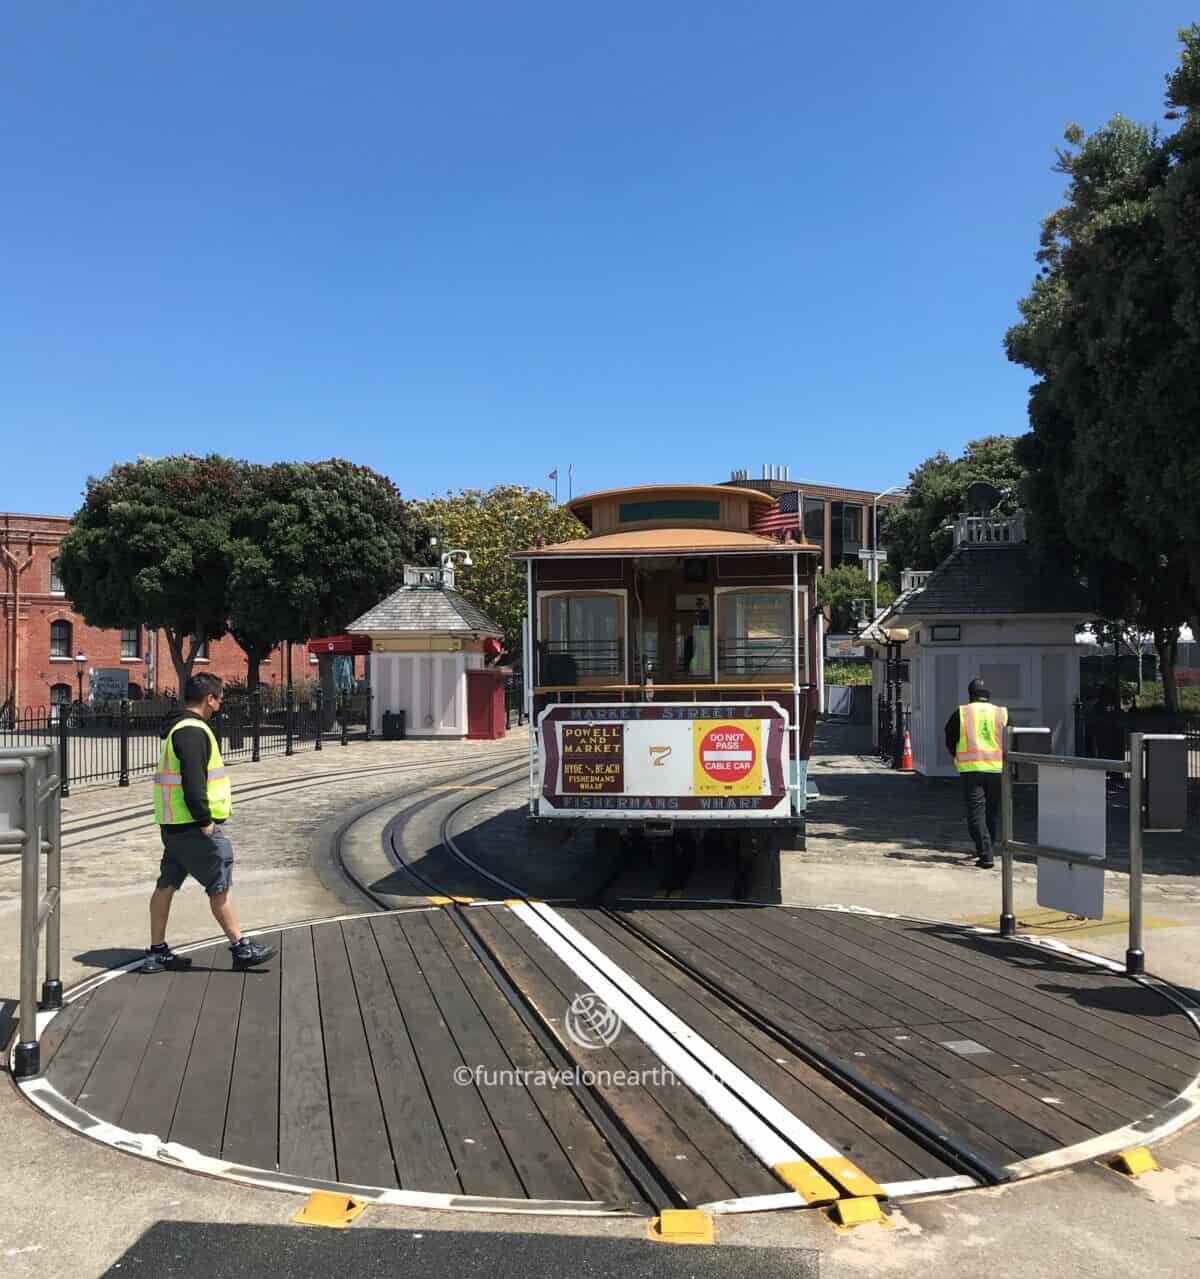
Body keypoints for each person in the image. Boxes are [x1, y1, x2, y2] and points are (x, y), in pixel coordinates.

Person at [144, 672, 276, 973]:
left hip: (174, 824)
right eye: (219, 700)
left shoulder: (179, 727)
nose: (220, 706)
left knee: (166, 885)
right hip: (192, 824)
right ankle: (240, 947)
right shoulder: (193, 732)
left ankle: (157, 951)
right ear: (209, 699)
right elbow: (194, 781)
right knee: (219, 882)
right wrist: (205, 821)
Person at [944, 677, 1009, 870]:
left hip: (971, 770)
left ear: (970, 694)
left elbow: (949, 737)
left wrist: (956, 755)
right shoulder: (1001, 713)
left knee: (976, 814)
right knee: (991, 813)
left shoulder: (962, 713)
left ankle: (985, 853)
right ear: (988, 695)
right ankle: (988, 848)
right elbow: (1013, 739)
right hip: (996, 769)